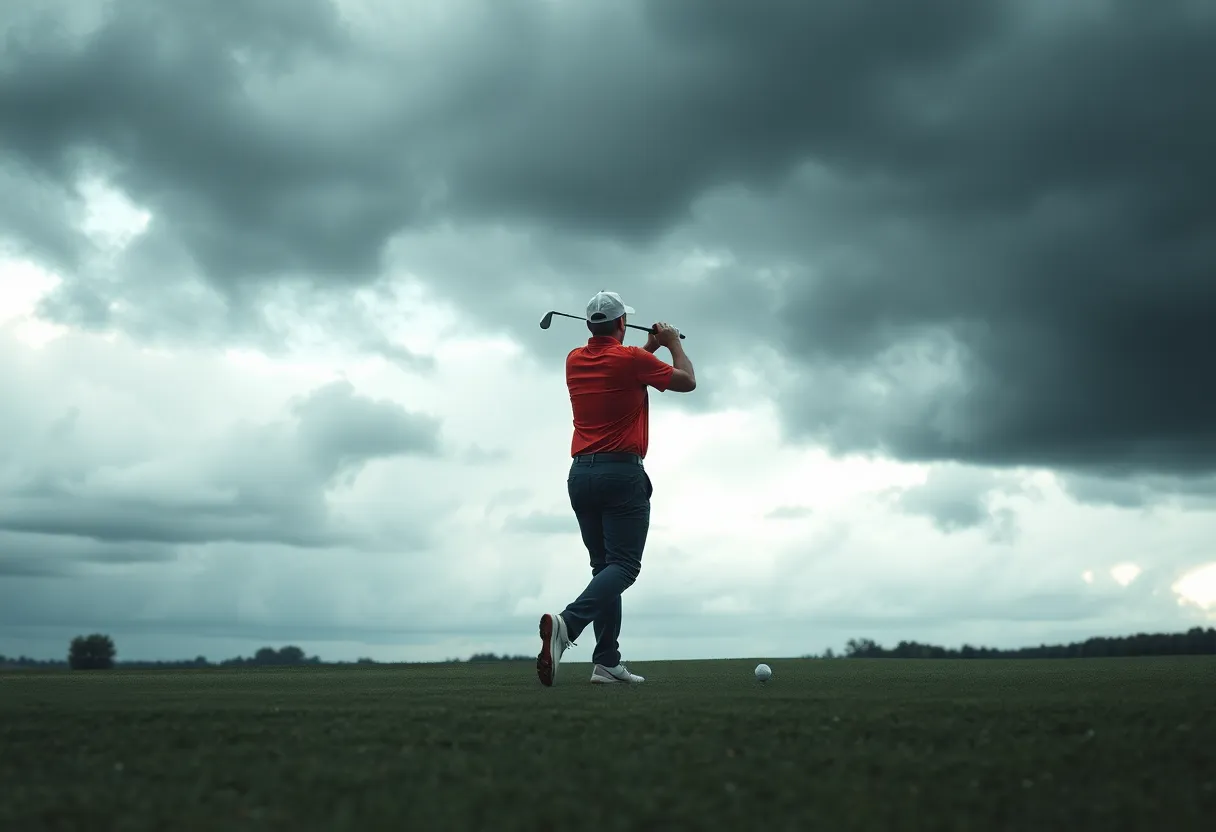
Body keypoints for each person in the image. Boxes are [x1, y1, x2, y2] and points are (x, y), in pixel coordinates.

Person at [536, 290, 696, 686]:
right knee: (624, 567)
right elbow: (687, 381)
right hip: (621, 476)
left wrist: (649, 347)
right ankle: (568, 624)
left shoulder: (574, 359)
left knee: (604, 569)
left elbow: (624, 367)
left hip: (581, 476)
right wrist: (671, 343)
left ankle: (607, 661)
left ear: (590, 326)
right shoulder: (632, 360)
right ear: (622, 323)